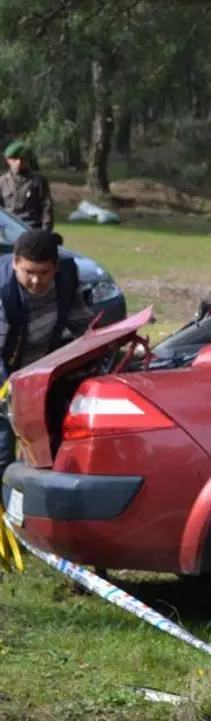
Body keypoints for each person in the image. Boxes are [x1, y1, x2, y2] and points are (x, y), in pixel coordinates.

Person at [0, 230, 93, 473]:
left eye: (44, 273)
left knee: (53, 437)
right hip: (5, 370)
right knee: (2, 445)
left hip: (41, 367)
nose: (36, 281)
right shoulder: (3, 292)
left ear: (55, 268)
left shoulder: (67, 277)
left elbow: (81, 325)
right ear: (15, 263)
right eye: (28, 272)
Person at [0, 141, 54, 231]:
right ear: (8, 160)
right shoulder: (2, 182)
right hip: (9, 231)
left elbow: (46, 208)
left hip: (32, 229)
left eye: (22, 159)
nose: (19, 162)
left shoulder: (38, 181)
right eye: (15, 159)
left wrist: (45, 232)